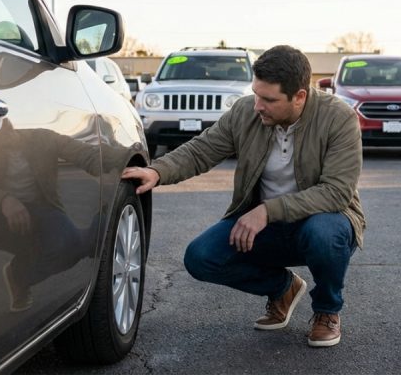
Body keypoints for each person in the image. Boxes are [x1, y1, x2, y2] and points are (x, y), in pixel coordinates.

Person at [122, 45, 364, 348]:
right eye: (256, 94)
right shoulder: (245, 112)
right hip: (265, 228)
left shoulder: (338, 118)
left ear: (299, 97)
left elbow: (336, 192)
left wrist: (267, 211)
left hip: (319, 223)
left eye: (269, 100)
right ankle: (283, 288)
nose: (258, 106)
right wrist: (157, 171)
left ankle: (327, 311)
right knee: (200, 257)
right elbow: (201, 150)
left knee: (324, 234)